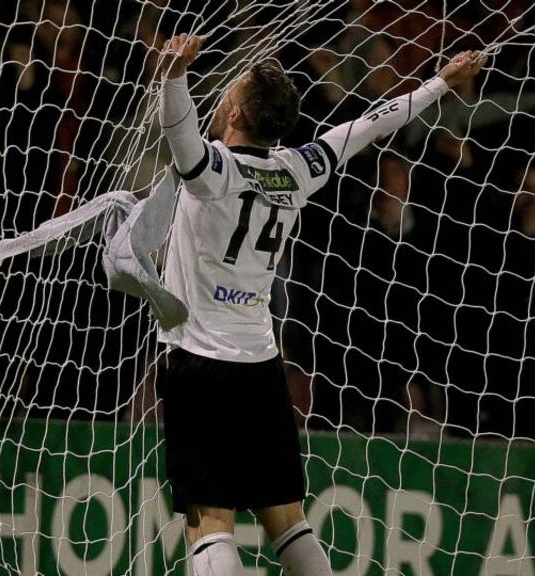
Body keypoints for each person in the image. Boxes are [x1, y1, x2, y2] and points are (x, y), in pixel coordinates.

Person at [156, 33, 486, 576]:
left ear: (236, 111)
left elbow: (177, 128)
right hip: (262, 365)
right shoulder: (297, 170)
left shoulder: (212, 171)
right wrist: (438, 84)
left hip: (201, 361)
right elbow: (373, 124)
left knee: (209, 521)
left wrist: (172, 74)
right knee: (288, 522)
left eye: (228, 93)